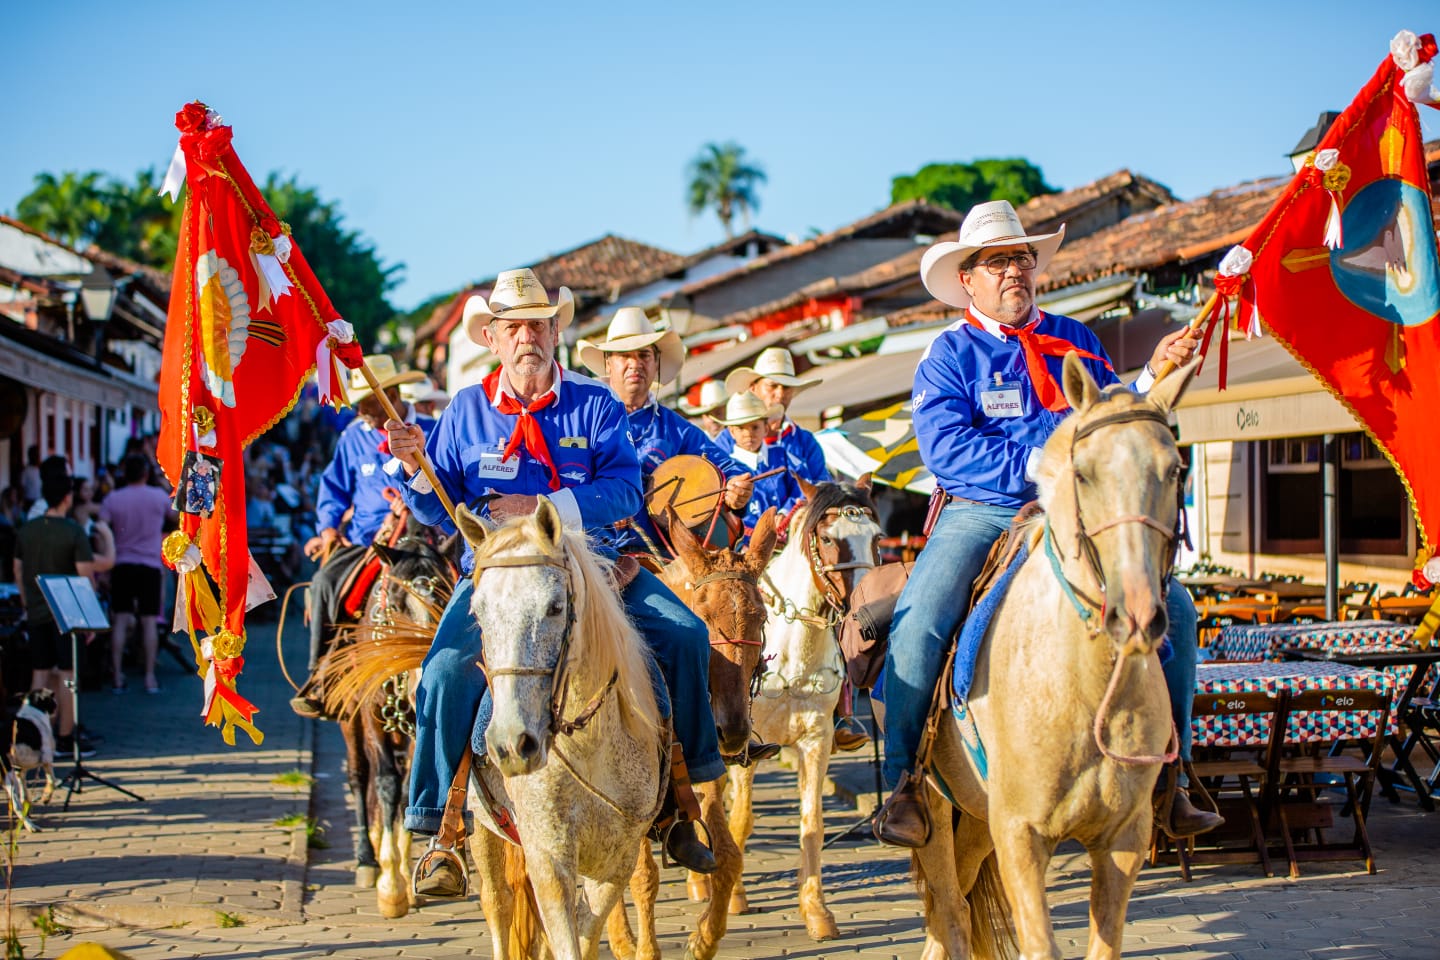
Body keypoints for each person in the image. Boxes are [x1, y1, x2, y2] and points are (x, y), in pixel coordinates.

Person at [872, 200, 1218, 848]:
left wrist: (1153, 376)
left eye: (1023, 259)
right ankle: (904, 785)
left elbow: (1115, 420)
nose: (1014, 272)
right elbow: (946, 448)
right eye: (998, 261)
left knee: (1178, 605)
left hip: (1079, 514)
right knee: (919, 619)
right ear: (967, 279)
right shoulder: (947, 356)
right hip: (986, 511)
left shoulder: (1077, 339)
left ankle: (1176, 779)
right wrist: (1043, 461)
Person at [386, 268, 724, 897]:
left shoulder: (593, 403)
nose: (526, 338)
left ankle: (685, 796)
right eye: (513, 326)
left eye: (538, 325)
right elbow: (441, 509)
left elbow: (624, 489)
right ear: (492, 338)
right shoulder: (465, 410)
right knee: (441, 673)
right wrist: (416, 470)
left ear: (555, 332)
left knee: (686, 635)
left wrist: (544, 508)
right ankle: (439, 828)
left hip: (594, 567)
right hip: (499, 579)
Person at [289, 355, 437, 719]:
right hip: (365, 541)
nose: (364, 411)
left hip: (423, 539)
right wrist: (327, 528)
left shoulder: (433, 430)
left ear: (391, 394)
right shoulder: (353, 436)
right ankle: (320, 673)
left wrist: (414, 503)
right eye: (359, 404)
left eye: (370, 402)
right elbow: (334, 487)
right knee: (324, 581)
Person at [575, 308, 755, 557]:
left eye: (644, 355)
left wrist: (738, 488)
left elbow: (727, 468)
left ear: (656, 362)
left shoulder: (675, 428)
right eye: (624, 355)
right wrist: (605, 504)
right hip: (592, 551)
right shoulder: (582, 418)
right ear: (608, 362)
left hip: (658, 554)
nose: (635, 363)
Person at [13, 469, 111, 757]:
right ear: (67, 498)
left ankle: (33, 738)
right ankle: (66, 737)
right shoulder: (72, 531)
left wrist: (26, 601)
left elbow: (19, 569)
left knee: (39, 675)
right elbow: (85, 577)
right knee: (69, 677)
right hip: (68, 616)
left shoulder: (26, 530)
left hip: (37, 611)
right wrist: (90, 617)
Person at [101, 454, 177, 694]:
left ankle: (117, 676)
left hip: (122, 563)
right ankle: (149, 677)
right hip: (150, 565)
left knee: (121, 621)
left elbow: (101, 527)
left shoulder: (113, 498)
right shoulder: (158, 497)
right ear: (146, 473)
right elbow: (176, 518)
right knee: (149, 623)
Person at [720, 347, 829, 484]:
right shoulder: (725, 441)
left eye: (786, 387)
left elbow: (824, 490)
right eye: (772, 385)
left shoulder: (805, 442)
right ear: (753, 389)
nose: (780, 394)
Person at [710, 392, 801, 538]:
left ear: (766, 428)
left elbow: (800, 488)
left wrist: (785, 514)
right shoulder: (725, 469)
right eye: (741, 428)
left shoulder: (782, 455)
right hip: (745, 545)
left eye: (755, 427)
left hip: (787, 536)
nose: (748, 434)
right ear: (732, 432)